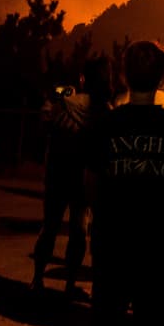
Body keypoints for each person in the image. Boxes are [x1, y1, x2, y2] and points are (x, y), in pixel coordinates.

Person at [81, 40, 164, 326]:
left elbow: (91, 182)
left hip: (111, 240)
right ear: (160, 78)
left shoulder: (107, 125)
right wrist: (158, 212)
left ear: (124, 75)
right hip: (154, 242)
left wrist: (101, 214)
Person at [31, 55, 113, 299]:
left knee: (50, 226)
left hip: (57, 172)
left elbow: (45, 125)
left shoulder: (64, 102)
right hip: (85, 176)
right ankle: (69, 284)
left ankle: (37, 279)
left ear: (83, 78)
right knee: (79, 231)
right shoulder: (105, 112)